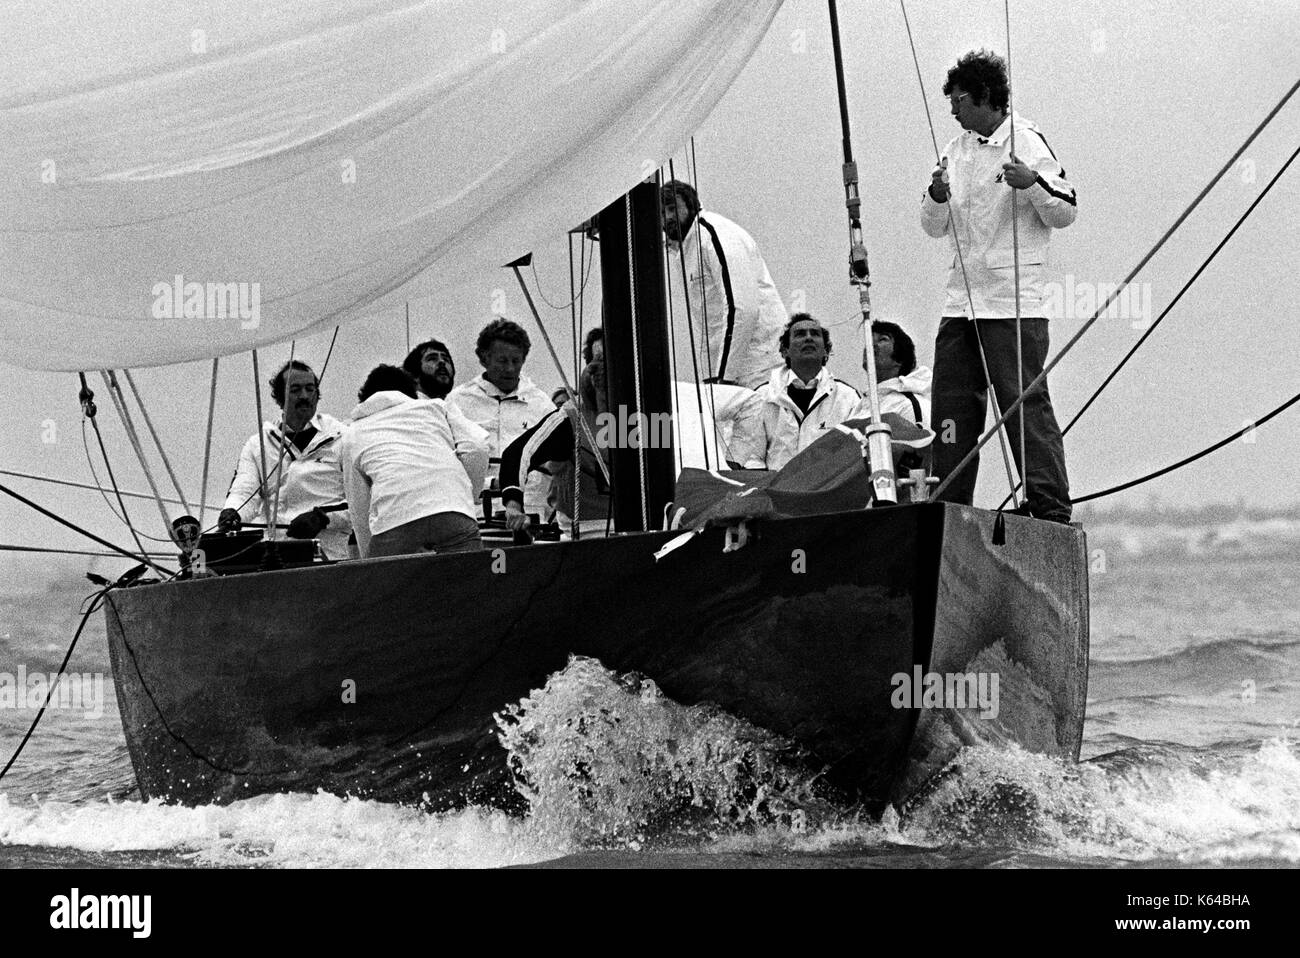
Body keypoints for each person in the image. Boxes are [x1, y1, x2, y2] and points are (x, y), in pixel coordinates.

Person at [921, 49, 1075, 523]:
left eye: (959, 99)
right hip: (961, 302)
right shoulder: (955, 148)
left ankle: (1049, 508)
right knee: (950, 412)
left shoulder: (1026, 141)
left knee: (1023, 408)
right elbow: (932, 226)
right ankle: (948, 506)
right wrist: (936, 196)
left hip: (1013, 304)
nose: (952, 109)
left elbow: (1066, 209)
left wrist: (1031, 183)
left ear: (985, 96)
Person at [338, 365, 488, 558]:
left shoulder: (353, 432)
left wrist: (370, 560)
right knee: (471, 584)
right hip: (453, 511)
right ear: (413, 393)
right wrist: (466, 498)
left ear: (364, 398)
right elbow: (477, 446)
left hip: (395, 518)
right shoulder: (436, 407)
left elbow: (359, 505)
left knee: (386, 588)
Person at [219, 360, 353, 559]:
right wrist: (232, 512)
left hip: (329, 557)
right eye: (296, 390)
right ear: (280, 398)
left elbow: (359, 503)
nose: (305, 396)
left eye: (310, 389)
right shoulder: (257, 444)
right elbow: (244, 492)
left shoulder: (343, 438)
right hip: (274, 558)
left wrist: (323, 518)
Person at [661, 180, 788, 389]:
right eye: (662, 212)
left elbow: (742, 308)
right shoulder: (684, 249)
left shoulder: (714, 235)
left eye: (673, 208)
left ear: (692, 206)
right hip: (732, 372)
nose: (668, 218)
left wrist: (724, 378)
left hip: (760, 368)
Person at [446, 318, 555, 516]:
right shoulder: (457, 402)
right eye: (502, 361)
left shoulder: (542, 405)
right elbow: (449, 463)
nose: (510, 369)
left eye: (516, 361)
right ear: (484, 359)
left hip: (531, 514)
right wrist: (490, 484)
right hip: (475, 513)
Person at [500, 356, 612, 540]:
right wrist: (513, 506)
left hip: (643, 527)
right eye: (596, 360)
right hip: (585, 531)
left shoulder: (648, 416)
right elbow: (518, 453)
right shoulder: (570, 419)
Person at [741, 314, 861, 470]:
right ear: (785, 351)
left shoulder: (847, 397)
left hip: (828, 490)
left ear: (826, 350)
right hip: (776, 489)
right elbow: (752, 456)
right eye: (800, 334)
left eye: (815, 334)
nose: (809, 338)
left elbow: (855, 453)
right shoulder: (763, 396)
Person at [858, 321, 932, 428]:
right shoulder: (859, 409)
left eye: (882, 339)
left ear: (900, 358)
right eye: (869, 340)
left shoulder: (908, 405)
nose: (870, 345)